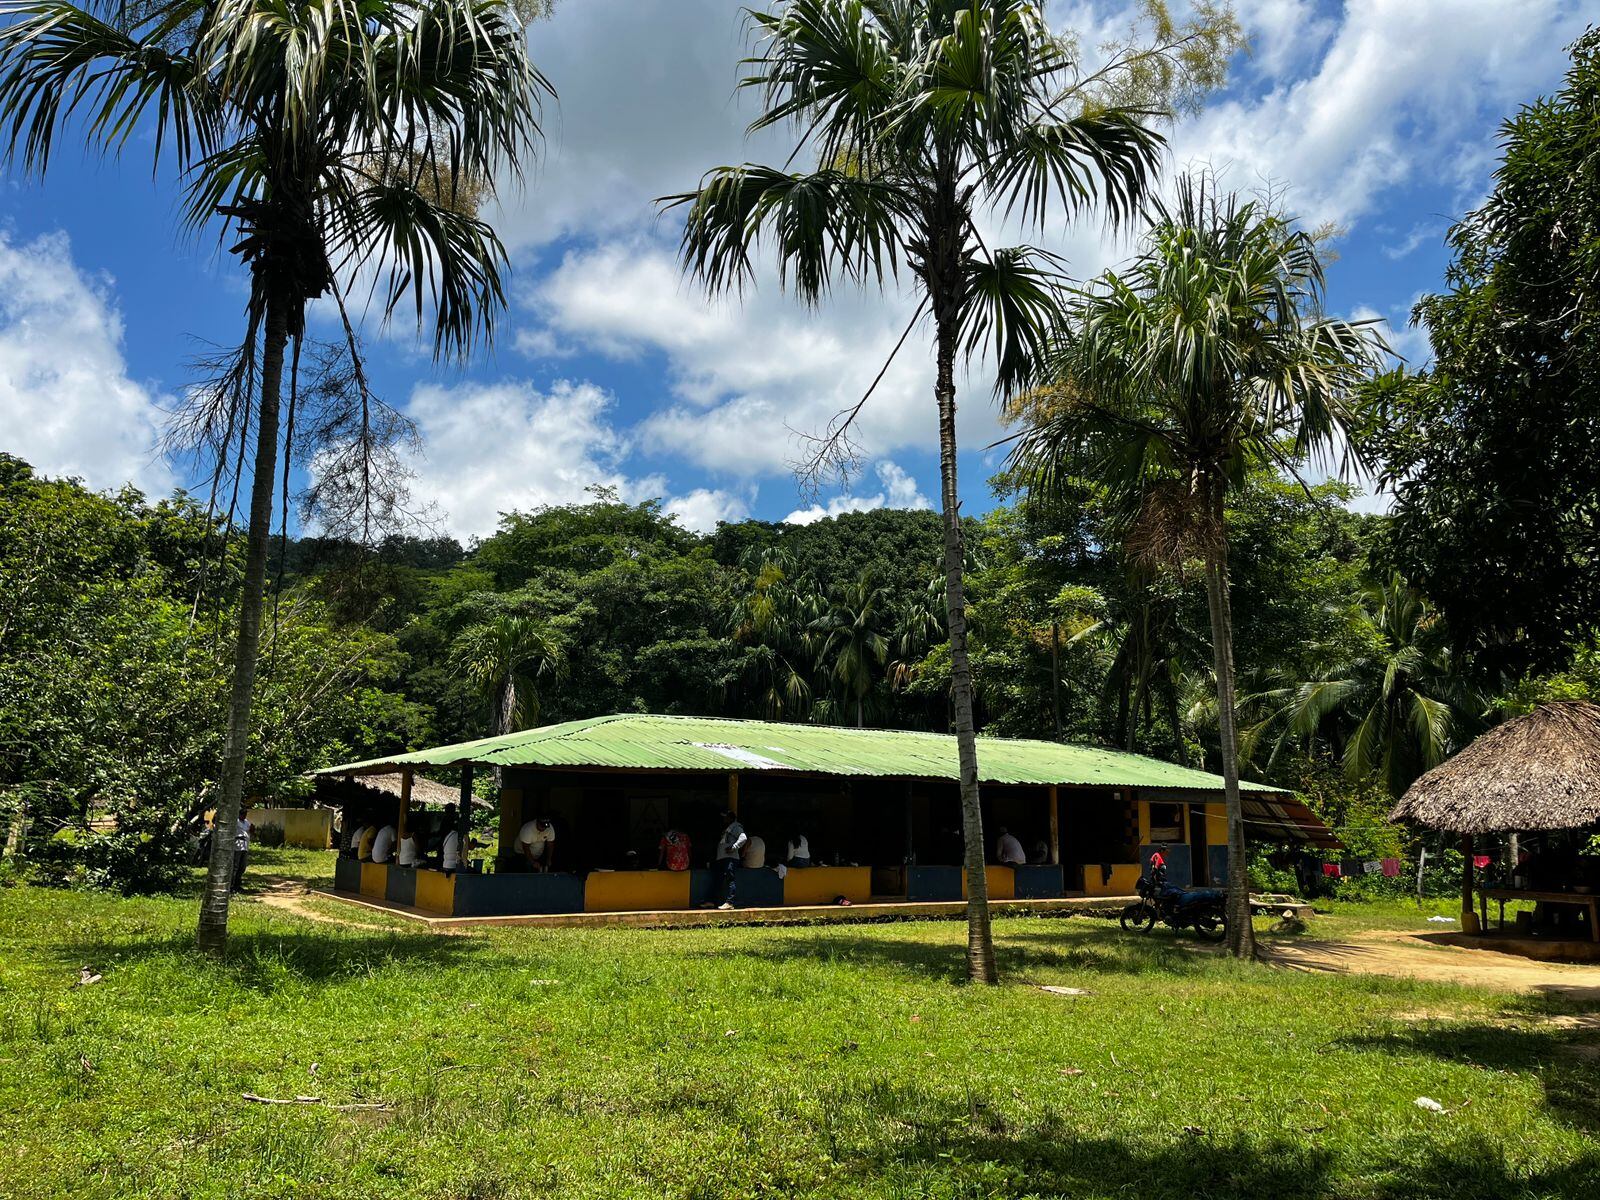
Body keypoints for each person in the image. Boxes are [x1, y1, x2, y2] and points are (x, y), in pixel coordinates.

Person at [706, 810, 747, 910]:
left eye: (726, 817)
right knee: (718, 879)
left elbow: (743, 838)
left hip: (730, 858)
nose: (724, 819)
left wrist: (733, 847)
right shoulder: (728, 828)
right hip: (722, 858)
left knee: (730, 879)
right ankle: (712, 902)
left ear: (731, 818)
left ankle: (730, 902)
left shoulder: (736, 827)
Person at [231, 813, 252, 893]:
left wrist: (252, 830)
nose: (244, 815)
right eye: (243, 814)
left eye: (245, 814)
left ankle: (238, 885)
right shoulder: (235, 821)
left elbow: (249, 831)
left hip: (245, 846)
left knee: (242, 867)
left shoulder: (246, 822)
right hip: (237, 846)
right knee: (235, 867)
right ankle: (232, 886)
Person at [440, 804, 464, 872]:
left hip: (445, 842)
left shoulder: (447, 819)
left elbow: (441, 831)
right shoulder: (455, 819)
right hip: (448, 843)